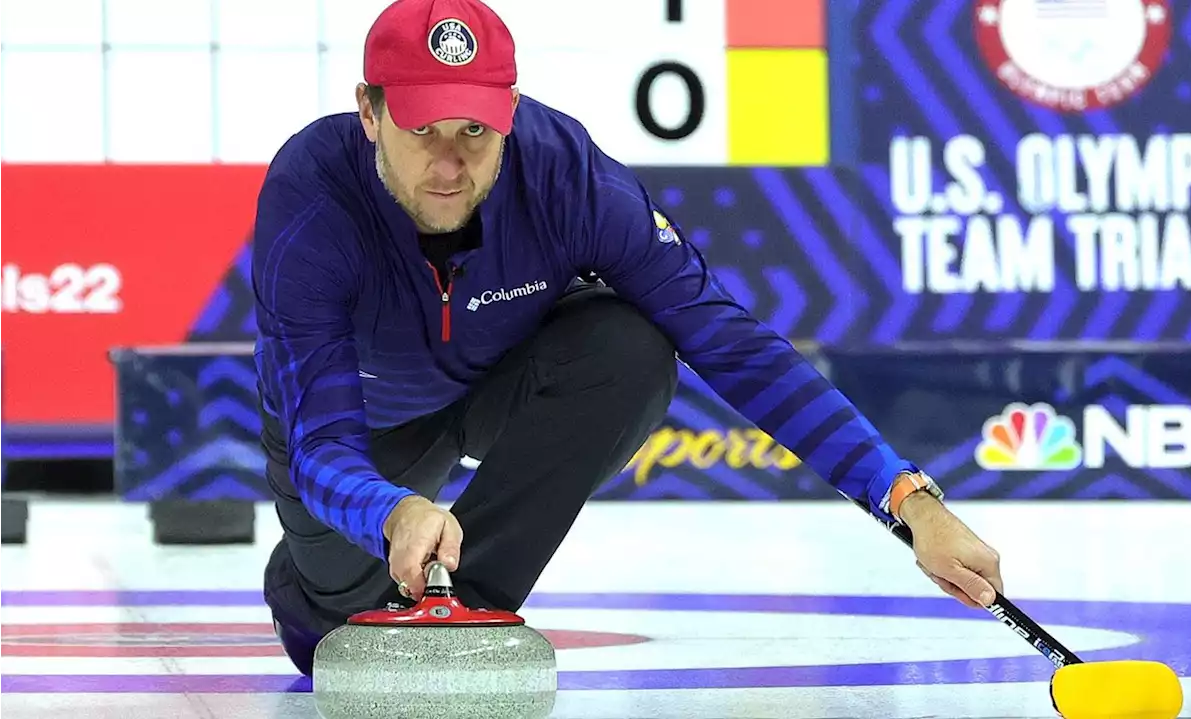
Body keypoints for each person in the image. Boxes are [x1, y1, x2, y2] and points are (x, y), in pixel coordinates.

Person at [252, 0, 1005, 677]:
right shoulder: (311, 198)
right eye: (422, 131)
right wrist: (390, 509)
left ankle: (464, 612)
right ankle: (323, 578)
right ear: (370, 112)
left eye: (476, 131)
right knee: (330, 635)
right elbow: (320, 443)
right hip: (363, 428)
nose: (449, 165)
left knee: (631, 343)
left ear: (511, 109)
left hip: (497, 383)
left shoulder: (565, 175)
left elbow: (731, 342)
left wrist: (908, 497)